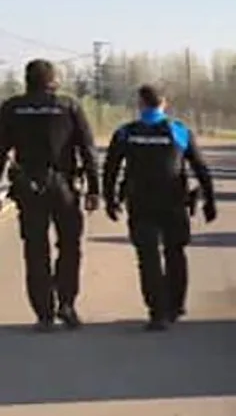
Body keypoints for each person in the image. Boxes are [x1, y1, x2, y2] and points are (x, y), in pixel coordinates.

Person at [103, 84, 217, 331]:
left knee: (148, 257)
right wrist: (210, 200)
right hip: (173, 202)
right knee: (175, 253)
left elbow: (111, 169)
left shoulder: (126, 132)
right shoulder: (178, 131)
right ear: (164, 103)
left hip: (141, 203)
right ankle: (175, 304)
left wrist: (109, 199)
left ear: (140, 104)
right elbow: (200, 167)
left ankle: (158, 312)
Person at [0, 59, 101, 331]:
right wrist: (94, 188)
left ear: (27, 80)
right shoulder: (68, 106)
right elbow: (88, 149)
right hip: (64, 185)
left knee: (35, 250)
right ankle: (66, 303)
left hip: (28, 185)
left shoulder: (12, 108)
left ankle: (44, 313)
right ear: (52, 81)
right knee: (69, 246)